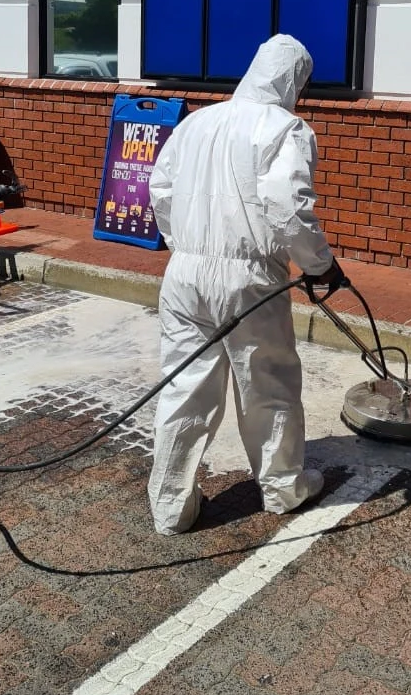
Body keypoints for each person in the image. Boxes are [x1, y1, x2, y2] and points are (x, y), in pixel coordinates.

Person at [146, 34, 345, 536]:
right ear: (293, 79)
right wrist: (318, 264)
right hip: (249, 275)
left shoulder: (196, 122)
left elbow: (160, 190)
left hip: (184, 273)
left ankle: (171, 508)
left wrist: (185, 244)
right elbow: (287, 204)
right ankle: (282, 489)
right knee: (268, 384)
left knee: (184, 386)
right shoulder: (285, 128)